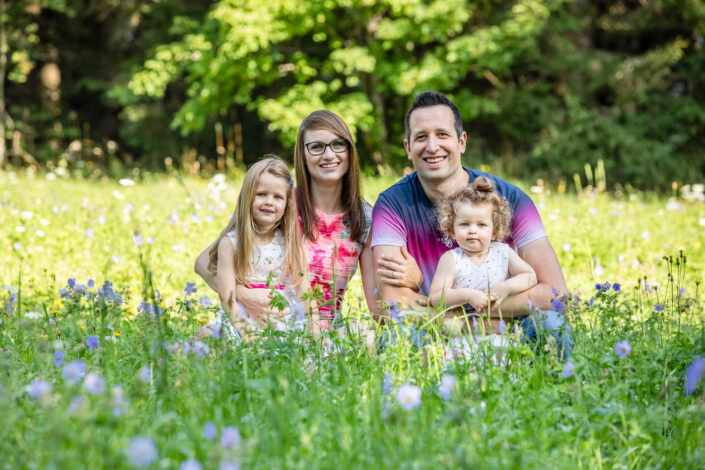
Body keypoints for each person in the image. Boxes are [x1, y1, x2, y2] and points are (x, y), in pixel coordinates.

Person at [372, 91, 570, 350]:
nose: (432, 147)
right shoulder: (392, 205)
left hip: (510, 329)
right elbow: (392, 303)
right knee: (397, 337)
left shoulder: (510, 199)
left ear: (461, 142)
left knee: (553, 326)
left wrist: (479, 315)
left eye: (442, 135)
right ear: (408, 148)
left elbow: (556, 294)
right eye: (421, 137)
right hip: (436, 331)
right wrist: (466, 323)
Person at [195, 110, 379, 329]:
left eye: (338, 144)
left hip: (325, 329)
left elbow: (377, 304)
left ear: (350, 150)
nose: (329, 155)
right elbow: (204, 262)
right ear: (302, 155)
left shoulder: (364, 216)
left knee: (365, 336)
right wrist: (243, 295)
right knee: (206, 338)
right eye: (317, 147)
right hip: (270, 321)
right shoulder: (280, 202)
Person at [201, 156, 310, 342]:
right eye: (261, 194)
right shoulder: (231, 243)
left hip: (280, 319)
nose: (269, 201)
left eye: (278, 197)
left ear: (287, 204)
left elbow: (304, 292)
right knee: (212, 338)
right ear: (247, 196)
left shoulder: (290, 242)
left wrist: (311, 334)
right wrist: (249, 338)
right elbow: (227, 299)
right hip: (242, 319)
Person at [429, 176, 537, 314]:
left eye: (481, 225)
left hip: (502, 330)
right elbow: (435, 297)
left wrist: (507, 287)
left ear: (494, 231)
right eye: (464, 224)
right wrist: (467, 296)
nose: (472, 230)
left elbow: (529, 276)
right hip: (463, 330)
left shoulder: (503, 252)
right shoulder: (452, 259)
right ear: (452, 230)